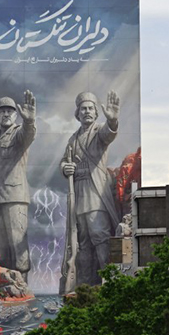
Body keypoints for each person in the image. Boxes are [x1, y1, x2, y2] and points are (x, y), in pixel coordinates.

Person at [60, 90, 122, 288]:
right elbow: (64, 161)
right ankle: (85, 286)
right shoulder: (73, 139)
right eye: (83, 109)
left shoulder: (99, 132)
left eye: (90, 108)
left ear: (96, 113)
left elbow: (109, 134)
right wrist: (65, 167)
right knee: (83, 244)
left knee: (100, 238)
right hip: (79, 194)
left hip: (96, 194)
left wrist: (112, 121)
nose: (87, 112)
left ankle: (108, 283)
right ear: (78, 114)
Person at [0, 91, 36, 281]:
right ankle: (5, 285)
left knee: (17, 243)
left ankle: (24, 285)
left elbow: (28, 135)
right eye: (2, 111)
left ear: (15, 114)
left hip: (15, 196)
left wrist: (29, 121)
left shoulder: (18, 134)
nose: (6, 115)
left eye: (10, 111)